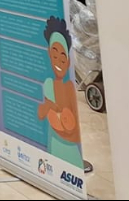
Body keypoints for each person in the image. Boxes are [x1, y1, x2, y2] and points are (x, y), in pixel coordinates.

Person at [37, 17, 83, 167]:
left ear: (69, 61)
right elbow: (41, 113)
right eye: (54, 55)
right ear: (49, 54)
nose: (58, 62)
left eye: (63, 58)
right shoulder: (48, 84)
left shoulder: (69, 87)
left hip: (68, 148)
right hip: (53, 144)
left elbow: (73, 129)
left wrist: (65, 123)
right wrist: (48, 108)